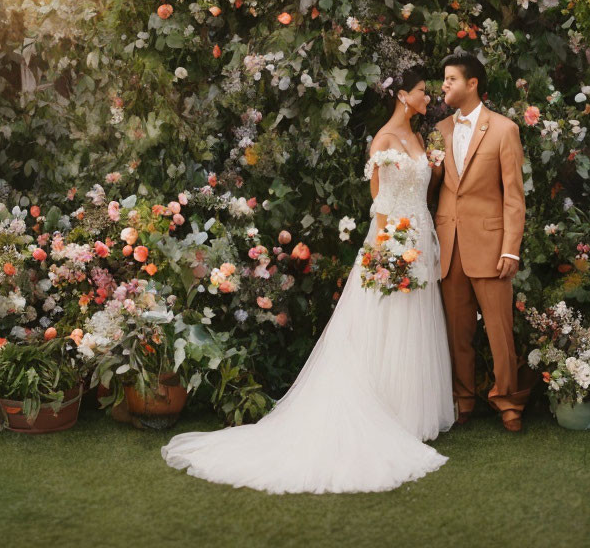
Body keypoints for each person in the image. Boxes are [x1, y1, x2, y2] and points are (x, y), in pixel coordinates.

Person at [160, 66, 455, 494]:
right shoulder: (385, 140)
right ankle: (387, 413)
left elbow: (427, 184)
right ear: (403, 96)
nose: (429, 98)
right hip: (395, 242)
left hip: (421, 238)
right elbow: (381, 201)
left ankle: (409, 409)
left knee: (413, 323)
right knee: (388, 321)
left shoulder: (418, 137)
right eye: (424, 92)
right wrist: (391, 253)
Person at [431, 52, 529, 433]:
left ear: (472, 84)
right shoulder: (438, 131)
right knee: (457, 331)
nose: (444, 86)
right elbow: (434, 188)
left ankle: (508, 401)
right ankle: (463, 399)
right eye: (443, 80)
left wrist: (510, 247)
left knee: (499, 330)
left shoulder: (504, 129)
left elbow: (513, 196)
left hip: (491, 246)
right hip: (449, 244)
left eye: (451, 79)